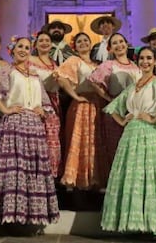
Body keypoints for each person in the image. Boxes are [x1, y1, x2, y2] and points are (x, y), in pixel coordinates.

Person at [0, 36, 60, 232]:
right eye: (20, 46)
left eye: (27, 47)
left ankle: (29, 216)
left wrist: (41, 109)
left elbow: (45, 102)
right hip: (14, 124)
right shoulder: (7, 70)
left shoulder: (34, 75)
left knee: (31, 170)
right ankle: (9, 216)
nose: (23, 50)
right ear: (12, 50)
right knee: (13, 169)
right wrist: (5, 109)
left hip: (34, 127)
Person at [100, 47, 156, 237]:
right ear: (137, 61)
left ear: (155, 61)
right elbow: (113, 107)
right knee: (134, 176)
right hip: (131, 134)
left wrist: (154, 118)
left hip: (151, 134)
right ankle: (135, 224)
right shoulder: (133, 86)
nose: (145, 62)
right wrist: (123, 120)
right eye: (142, 58)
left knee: (151, 176)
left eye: (149, 58)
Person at [55, 32, 106, 193]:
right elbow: (60, 78)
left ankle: (95, 179)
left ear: (91, 44)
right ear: (75, 46)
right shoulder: (74, 60)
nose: (83, 43)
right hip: (81, 104)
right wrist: (75, 96)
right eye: (79, 41)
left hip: (97, 105)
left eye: (86, 40)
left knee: (95, 140)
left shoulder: (97, 65)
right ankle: (75, 180)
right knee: (79, 140)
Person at [88, 32, 141, 182]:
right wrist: (108, 98)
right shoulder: (109, 65)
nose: (119, 45)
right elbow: (93, 81)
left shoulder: (136, 66)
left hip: (134, 114)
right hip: (116, 113)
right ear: (110, 48)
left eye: (121, 41)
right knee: (116, 149)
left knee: (132, 150)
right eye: (115, 43)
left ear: (126, 44)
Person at [29, 30, 62, 179]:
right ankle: (34, 176)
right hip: (34, 104)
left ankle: (50, 177)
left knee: (52, 140)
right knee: (36, 140)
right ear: (35, 44)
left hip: (52, 105)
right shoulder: (29, 60)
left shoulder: (54, 64)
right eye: (41, 40)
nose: (44, 43)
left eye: (47, 40)